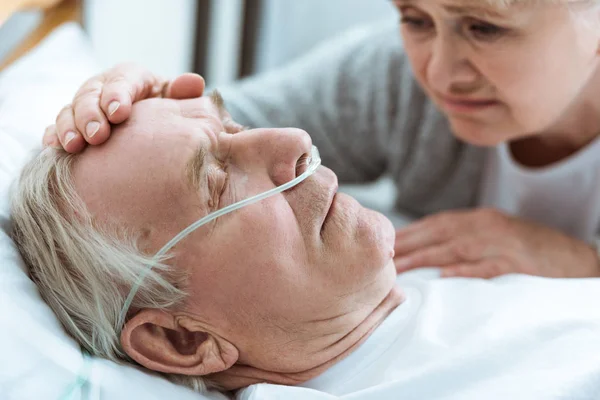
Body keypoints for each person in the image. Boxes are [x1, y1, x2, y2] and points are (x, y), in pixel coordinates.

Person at [12, 95, 600, 399]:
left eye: (234, 128)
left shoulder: (449, 268)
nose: (295, 140)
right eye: (216, 182)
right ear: (182, 339)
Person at [44, 0, 600, 279]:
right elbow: (230, 126)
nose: (439, 71)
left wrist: (582, 264)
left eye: (485, 27)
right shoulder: (393, 79)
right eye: (414, 18)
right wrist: (150, 109)